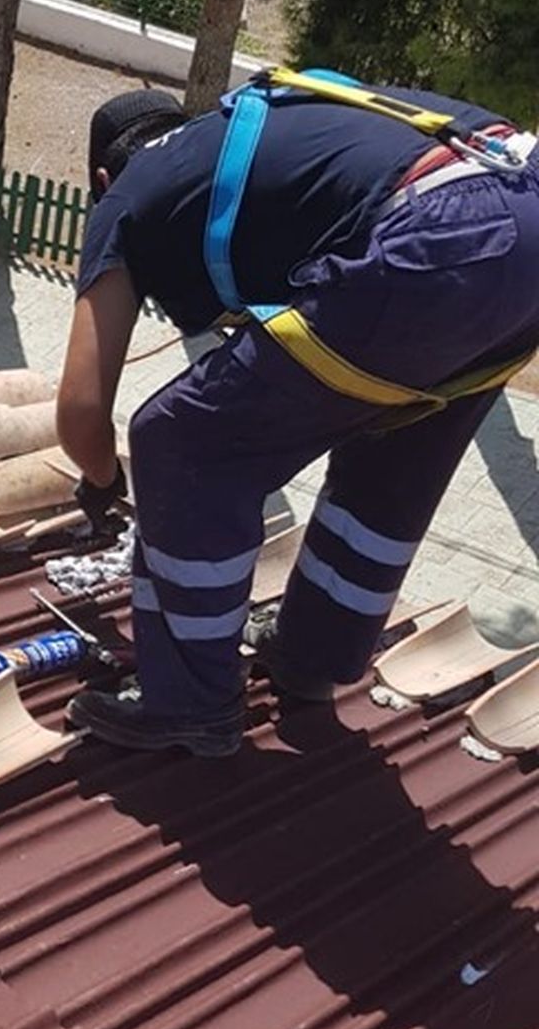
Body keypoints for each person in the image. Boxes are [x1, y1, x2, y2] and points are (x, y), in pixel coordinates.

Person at [55, 72, 539, 756]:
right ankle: (312, 658)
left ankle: (191, 700)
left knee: (180, 440)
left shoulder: (130, 194)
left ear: (105, 176)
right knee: (393, 439)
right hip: (522, 213)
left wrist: (103, 482)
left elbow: (80, 409)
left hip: (439, 236)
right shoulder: (249, 129)